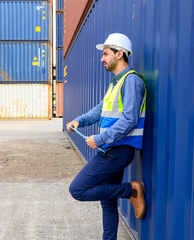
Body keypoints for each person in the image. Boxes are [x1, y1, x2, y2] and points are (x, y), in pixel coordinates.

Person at [66, 33, 146, 240]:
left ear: (120, 54)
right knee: (108, 203)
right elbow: (100, 110)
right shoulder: (116, 83)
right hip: (111, 149)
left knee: (78, 190)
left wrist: (100, 139)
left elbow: (129, 120)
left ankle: (131, 190)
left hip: (118, 151)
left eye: (105, 54)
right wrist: (79, 121)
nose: (102, 58)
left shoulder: (131, 81)